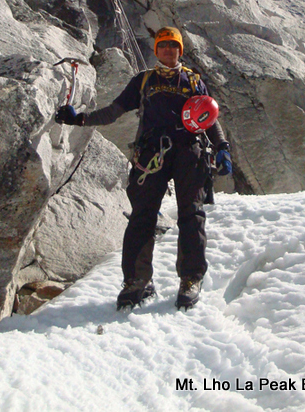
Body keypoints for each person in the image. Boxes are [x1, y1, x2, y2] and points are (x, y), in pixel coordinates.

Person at [55, 26, 232, 310]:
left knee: (192, 215)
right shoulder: (143, 81)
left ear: (179, 51)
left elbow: (208, 116)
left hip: (189, 153)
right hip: (152, 155)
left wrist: (221, 146)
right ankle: (136, 281)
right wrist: (81, 119)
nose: (168, 51)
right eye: (163, 46)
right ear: (156, 50)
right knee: (142, 217)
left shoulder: (193, 81)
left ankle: (190, 279)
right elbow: (114, 111)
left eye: (173, 46)